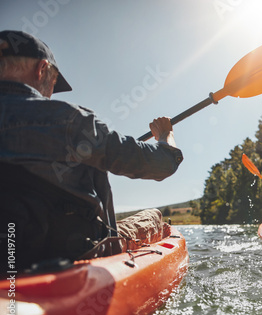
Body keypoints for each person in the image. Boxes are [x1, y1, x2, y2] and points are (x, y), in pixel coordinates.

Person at [0, 30, 183, 270]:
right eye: (53, 82)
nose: (51, 92)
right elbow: (163, 164)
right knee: (154, 216)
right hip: (78, 255)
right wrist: (165, 136)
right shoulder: (73, 121)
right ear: (42, 69)